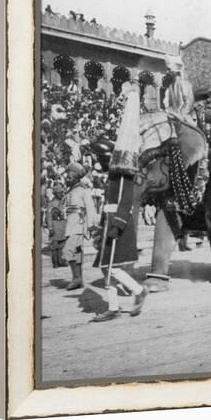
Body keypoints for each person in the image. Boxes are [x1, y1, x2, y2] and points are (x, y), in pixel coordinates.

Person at [92, 83, 148, 322]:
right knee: (106, 267)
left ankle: (138, 290)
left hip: (118, 225)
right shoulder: (112, 175)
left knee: (113, 267)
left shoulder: (122, 174)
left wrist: (117, 224)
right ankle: (113, 307)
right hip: (109, 223)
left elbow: (126, 201)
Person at [62, 162, 100, 290]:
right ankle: (79, 279)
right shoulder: (70, 190)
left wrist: (91, 225)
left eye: (69, 175)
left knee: (68, 250)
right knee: (77, 253)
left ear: (75, 175)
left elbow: (90, 208)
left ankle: (76, 278)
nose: (67, 177)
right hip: (69, 225)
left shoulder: (84, 190)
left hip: (78, 225)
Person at [163, 56, 195, 122]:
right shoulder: (170, 86)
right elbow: (168, 103)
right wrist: (169, 112)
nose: (167, 72)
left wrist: (181, 115)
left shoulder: (183, 83)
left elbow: (188, 102)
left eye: (169, 69)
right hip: (174, 116)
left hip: (185, 117)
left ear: (175, 69)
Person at [47, 182, 68, 269]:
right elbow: (49, 217)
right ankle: (55, 263)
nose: (62, 194)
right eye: (60, 193)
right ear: (55, 194)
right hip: (55, 226)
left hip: (62, 226)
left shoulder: (62, 202)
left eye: (62, 192)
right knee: (54, 246)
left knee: (61, 245)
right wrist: (50, 228)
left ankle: (60, 261)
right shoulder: (52, 204)